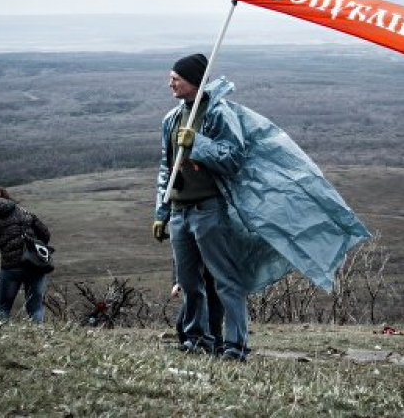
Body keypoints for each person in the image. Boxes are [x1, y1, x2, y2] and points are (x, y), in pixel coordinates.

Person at [153, 53, 371, 362]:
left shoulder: (219, 114)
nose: (170, 83)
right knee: (189, 283)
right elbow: (167, 168)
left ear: (194, 81)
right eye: (171, 77)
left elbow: (232, 159)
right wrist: (161, 213)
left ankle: (235, 345)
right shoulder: (171, 118)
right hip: (179, 211)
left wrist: (198, 143)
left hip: (210, 210)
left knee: (226, 280)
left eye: (176, 78)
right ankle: (196, 339)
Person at [0, 185, 52, 324]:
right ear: (6, 197)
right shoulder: (24, 212)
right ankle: (38, 335)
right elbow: (45, 235)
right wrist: (33, 248)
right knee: (35, 308)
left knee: (3, 308)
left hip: (11, 268)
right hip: (35, 266)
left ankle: (0, 335)